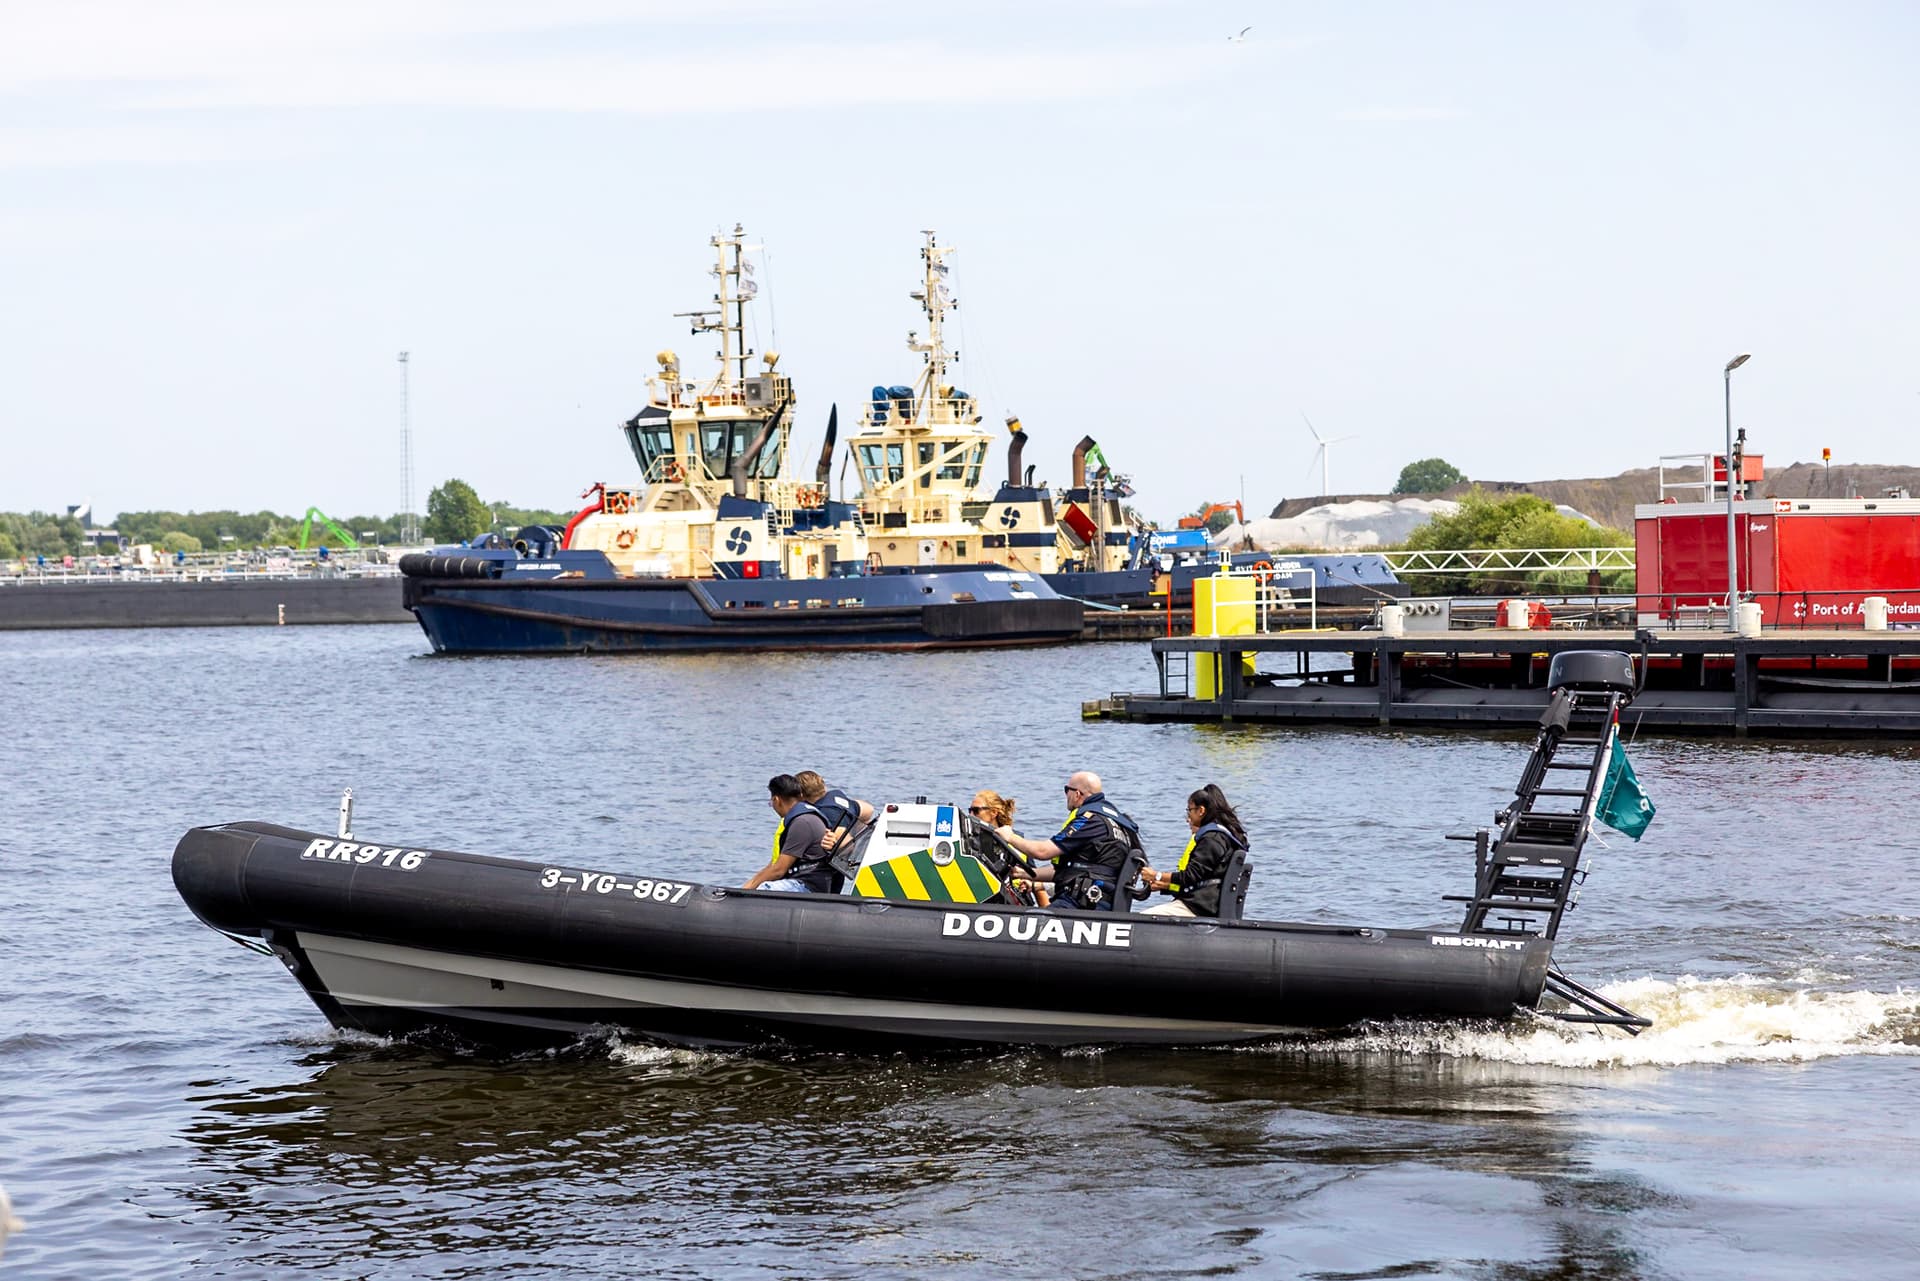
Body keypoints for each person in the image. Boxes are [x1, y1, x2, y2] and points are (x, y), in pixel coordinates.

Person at [995, 771, 1141, 911]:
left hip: (1081, 903)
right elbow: (1073, 870)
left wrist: (1010, 836)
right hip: (1100, 902)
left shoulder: (1091, 820)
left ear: (1077, 794)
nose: (1066, 795)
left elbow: (1043, 851)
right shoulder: (1119, 823)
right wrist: (1026, 874)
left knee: (1035, 921)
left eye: (1067, 790)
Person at [1140, 784, 1249, 918]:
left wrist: (1157, 876)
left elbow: (1190, 876)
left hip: (1198, 907)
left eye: (1189, 810)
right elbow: (1200, 880)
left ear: (1201, 811)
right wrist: (1166, 886)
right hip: (1205, 904)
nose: (1188, 818)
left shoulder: (1212, 839)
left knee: (1142, 919)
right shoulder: (1224, 838)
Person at [742, 774, 833, 893]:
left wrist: (747, 891)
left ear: (776, 800)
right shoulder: (803, 817)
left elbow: (779, 870)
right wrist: (742, 889)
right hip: (800, 882)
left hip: (807, 886)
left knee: (763, 890)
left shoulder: (802, 823)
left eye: (771, 803)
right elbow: (773, 866)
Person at [971, 789, 1047, 906]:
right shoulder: (970, 841)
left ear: (994, 813)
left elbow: (1035, 878)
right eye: (969, 811)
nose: (971, 815)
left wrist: (1047, 913)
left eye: (976, 811)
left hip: (1016, 902)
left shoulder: (1016, 841)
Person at [796, 770, 874, 852]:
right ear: (823, 786)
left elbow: (846, 846)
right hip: (861, 836)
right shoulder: (835, 794)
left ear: (801, 795)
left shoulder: (827, 811)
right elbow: (869, 809)